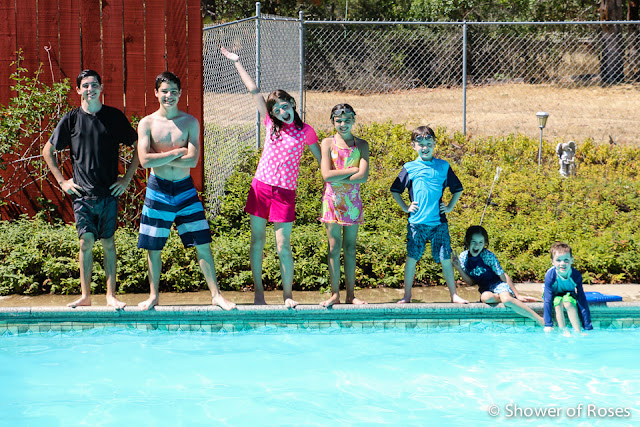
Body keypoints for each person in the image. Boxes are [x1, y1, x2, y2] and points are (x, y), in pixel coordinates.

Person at [221, 47, 321, 308]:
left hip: (285, 193)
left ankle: (288, 295)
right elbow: (254, 91)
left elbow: (322, 161)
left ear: (292, 104)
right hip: (261, 188)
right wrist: (237, 62)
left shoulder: (306, 132)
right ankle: (259, 295)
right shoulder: (269, 124)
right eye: (276, 110)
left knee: (283, 245)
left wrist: (333, 184)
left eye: (284, 106)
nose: (282, 112)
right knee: (257, 242)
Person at [136, 71, 235, 311]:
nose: (168, 96)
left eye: (173, 91)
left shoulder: (190, 122)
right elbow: (144, 161)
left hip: (185, 190)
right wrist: (175, 152)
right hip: (157, 190)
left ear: (180, 93)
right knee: (153, 246)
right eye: (164, 91)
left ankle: (216, 295)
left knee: (202, 242)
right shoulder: (147, 123)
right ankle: (153, 296)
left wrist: (161, 156)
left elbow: (192, 161)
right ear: (156, 93)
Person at [42, 69, 139, 309]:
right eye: (85, 86)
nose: (90, 89)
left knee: (108, 243)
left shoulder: (114, 117)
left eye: (94, 85)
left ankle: (110, 296)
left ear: (101, 88)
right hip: (82, 195)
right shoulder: (71, 119)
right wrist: (62, 182)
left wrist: (126, 179)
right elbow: (48, 151)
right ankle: (85, 296)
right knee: (85, 243)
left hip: (108, 193)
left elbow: (139, 146)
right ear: (78, 90)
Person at [390, 126, 468, 304]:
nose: (425, 148)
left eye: (428, 143)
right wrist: (405, 207)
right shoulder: (409, 167)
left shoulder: (443, 166)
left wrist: (449, 207)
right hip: (416, 223)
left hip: (439, 223)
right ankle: (407, 295)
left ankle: (454, 295)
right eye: (421, 144)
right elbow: (395, 190)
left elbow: (457, 189)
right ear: (413, 146)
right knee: (412, 258)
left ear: (434, 144)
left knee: (445, 258)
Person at [318, 104, 369, 307]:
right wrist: (352, 170)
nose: (343, 124)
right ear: (333, 121)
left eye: (347, 121)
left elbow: (363, 177)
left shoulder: (361, 145)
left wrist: (339, 175)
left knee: (350, 248)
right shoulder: (327, 143)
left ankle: (350, 295)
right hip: (332, 201)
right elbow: (326, 175)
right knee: (333, 247)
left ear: (353, 120)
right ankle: (335, 295)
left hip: (352, 203)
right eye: (338, 121)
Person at [452, 225, 544, 325]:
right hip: (486, 290)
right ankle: (504, 298)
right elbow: (471, 283)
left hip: (499, 284)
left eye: (481, 242)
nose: (477, 245)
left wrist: (517, 295)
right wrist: (458, 268)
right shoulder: (463, 257)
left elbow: (503, 275)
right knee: (485, 297)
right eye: (474, 242)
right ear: (467, 241)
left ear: (485, 244)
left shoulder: (488, 256)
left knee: (507, 300)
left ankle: (539, 319)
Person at [543, 242, 592, 332]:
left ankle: (578, 331)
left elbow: (581, 298)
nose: (562, 263)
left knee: (568, 302)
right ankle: (564, 330)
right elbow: (547, 299)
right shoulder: (551, 275)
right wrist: (548, 324)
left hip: (569, 294)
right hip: (554, 294)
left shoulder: (576, 275)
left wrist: (587, 325)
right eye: (558, 260)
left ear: (572, 260)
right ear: (552, 262)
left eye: (566, 260)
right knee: (558, 303)